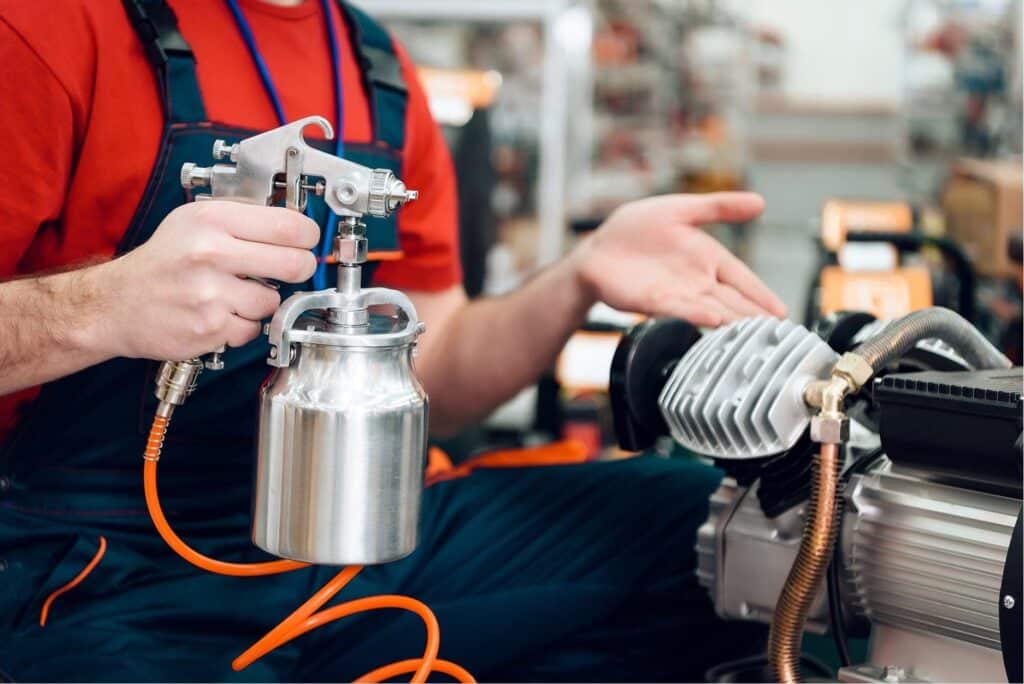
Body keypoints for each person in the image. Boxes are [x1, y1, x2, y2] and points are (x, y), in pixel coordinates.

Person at [0, 0, 785, 680]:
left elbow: (438, 369)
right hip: (102, 561)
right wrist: (101, 306)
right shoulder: (55, 28)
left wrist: (579, 276)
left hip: (343, 538)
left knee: (697, 537)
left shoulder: (378, 67)